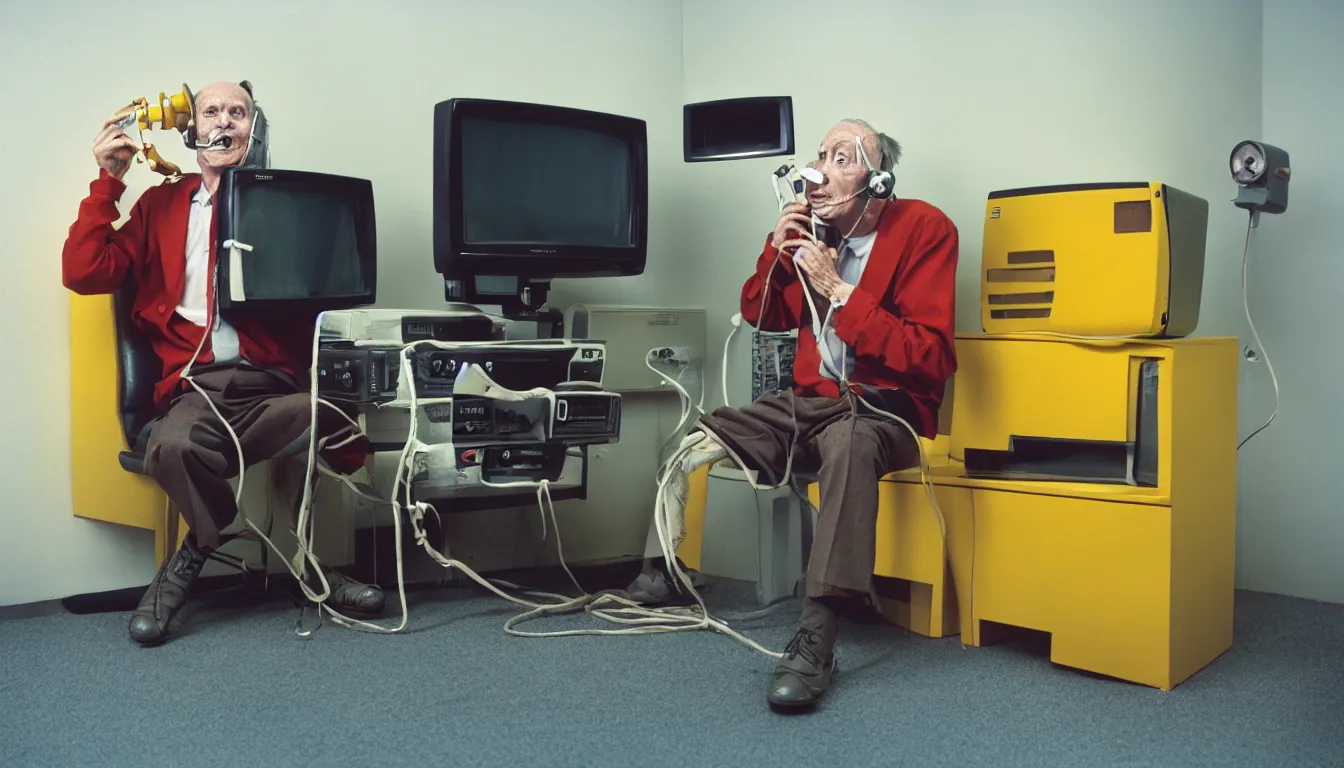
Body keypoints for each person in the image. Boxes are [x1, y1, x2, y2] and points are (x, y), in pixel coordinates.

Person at [628, 119, 958, 711]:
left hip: (885, 411)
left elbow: (930, 356)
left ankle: (817, 637)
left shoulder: (926, 229)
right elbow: (762, 314)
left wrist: (841, 291)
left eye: (841, 157)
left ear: (877, 181)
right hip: (809, 404)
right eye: (819, 156)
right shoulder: (814, 231)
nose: (819, 171)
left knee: (851, 443)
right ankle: (665, 573)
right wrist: (775, 251)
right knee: (697, 436)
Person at [62, 80, 386, 646]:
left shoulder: (284, 206)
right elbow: (84, 271)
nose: (224, 121)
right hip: (196, 388)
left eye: (238, 112)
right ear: (191, 129)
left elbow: (330, 288)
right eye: (211, 110)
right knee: (173, 446)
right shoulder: (161, 206)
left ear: (253, 130)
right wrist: (109, 181)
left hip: (272, 387)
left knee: (330, 421)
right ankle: (201, 545)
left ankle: (312, 568)